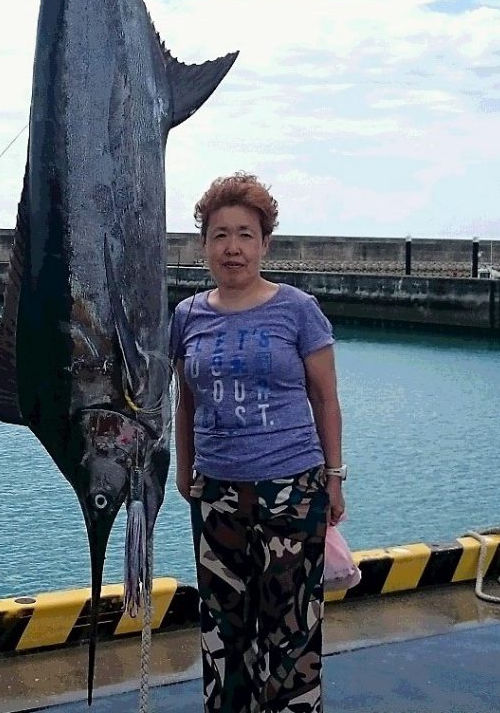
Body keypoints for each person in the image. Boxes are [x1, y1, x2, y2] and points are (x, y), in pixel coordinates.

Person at [169, 172, 345, 713]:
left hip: (292, 488)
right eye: (220, 234)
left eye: (245, 234)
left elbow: (325, 398)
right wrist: (184, 467)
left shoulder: (297, 310)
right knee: (224, 631)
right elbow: (185, 401)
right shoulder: (188, 315)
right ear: (203, 246)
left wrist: (334, 477)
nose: (232, 248)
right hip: (218, 492)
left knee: (290, 630)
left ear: (265, 242)